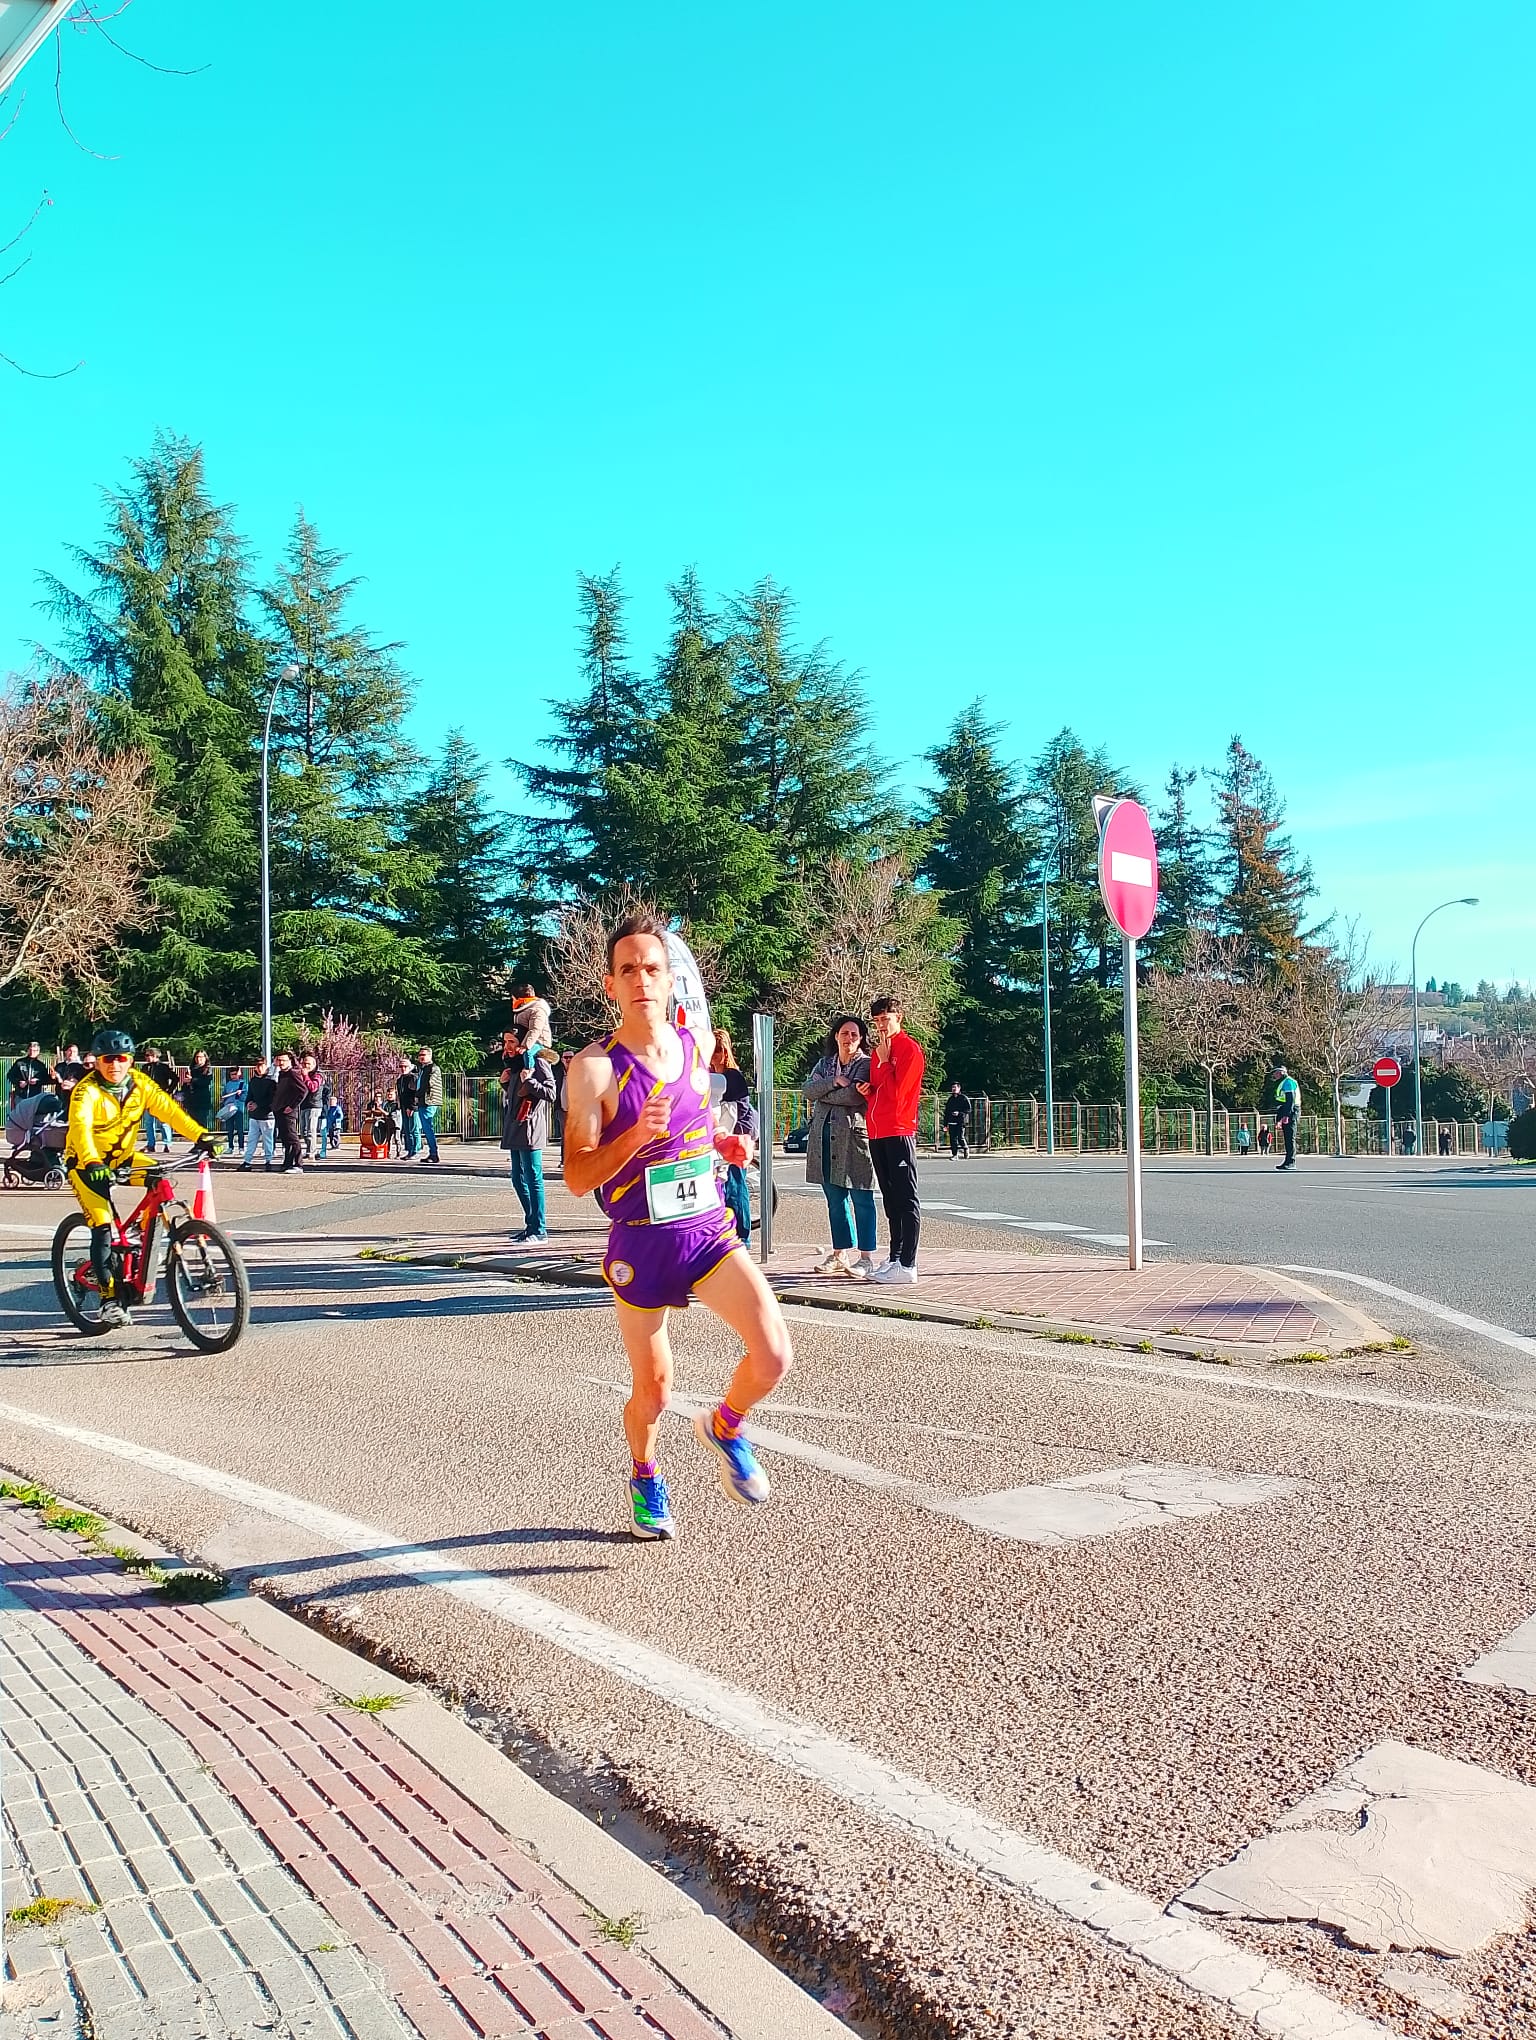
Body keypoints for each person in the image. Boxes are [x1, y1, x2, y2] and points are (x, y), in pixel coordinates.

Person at [563, 913, 792, 1543]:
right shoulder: (594, 1070)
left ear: (670, 981)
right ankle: (644, 1473)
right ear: (611, 984)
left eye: (653, 968)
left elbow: (693, 1128)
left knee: (774, 1353)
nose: (642, 979)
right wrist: (636, 1135)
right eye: (628, 969)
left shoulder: (695, 1047)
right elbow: (578, 1176)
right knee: (655, 1391)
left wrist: (724, 1145)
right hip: (640, 1238)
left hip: (707, 1230)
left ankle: (724, 1424)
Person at [64, 1029, 215, 1328]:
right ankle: (108, 1300)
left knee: (161, 1180)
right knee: (103, 1226)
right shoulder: (87, 1090)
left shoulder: (140, 1084)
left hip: (122, 1159)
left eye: (121, 1059)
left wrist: (201, 1135)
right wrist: (93, 1161)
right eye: (108, 1059)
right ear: (97, 1061)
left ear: (130, 1060)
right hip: (86, 1164)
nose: (115, 1065)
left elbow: (169, 1111)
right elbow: (80, 1128)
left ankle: (141, 1241)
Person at [803, 1016, 877, 1278]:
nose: (849, 1039)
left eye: (854, 1035)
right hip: (823, 1137)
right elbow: (808, 1091)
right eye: (844, 1033)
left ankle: (866, 1257)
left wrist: (828, 1092)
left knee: (862, 1197)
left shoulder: (866, 1065)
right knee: (835, 1200)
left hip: (854, 1139)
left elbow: (854, 1095)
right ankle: (839, 1252)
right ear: (835, 1036)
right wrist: (833, 1082)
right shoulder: (825, 1064)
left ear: (861, 1039)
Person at [862, 994, 925, 1284]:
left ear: (898, 1018)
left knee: (905, 1197)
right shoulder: (878, 1053)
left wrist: (887, 1063)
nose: (881, 1026)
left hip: (899, 1130)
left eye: (885, 1019)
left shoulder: (909, 1050)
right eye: (876, 1021)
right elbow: (882, 1090)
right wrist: (868, 1091)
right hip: (877, 1130)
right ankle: (895, 1256)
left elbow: (900, 1093)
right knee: (889, 1198)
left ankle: (909, 1263)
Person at [500, 1046, 556, 1240]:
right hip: (515, 1127)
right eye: (505, 1041)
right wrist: (505, 1084)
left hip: (530, 1128)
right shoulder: (516, 1066)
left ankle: (540, 1230)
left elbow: (550, 1093)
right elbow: (520, 1096)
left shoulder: (538, 1061)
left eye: (512, 1041)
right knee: (517, 1178)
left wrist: (530, 1079)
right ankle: (531, 1225)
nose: (508, 1047)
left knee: (533, 1179)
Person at [709, 1030, 757, 1245]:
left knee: (735, 1187)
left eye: (718, 1051)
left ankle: (742, 1236)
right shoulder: (716, 1074)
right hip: (726, 1133)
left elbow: (734, 1109)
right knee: (726, 1185)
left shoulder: (731, 1076)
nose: (714, 1056)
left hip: (737, 1135)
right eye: (711, 1051)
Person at [273, 1052, 317, 1174]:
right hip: (279, 1109)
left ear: (290, 1061)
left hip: (288, 1111)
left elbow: (303, 1090)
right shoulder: (282, 1074)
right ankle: (287, 1163)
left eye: (284, 1060)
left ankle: (298, 1164)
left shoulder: (293, 1073)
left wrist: (292, 1106)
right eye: (279, 1060)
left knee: (292, 1137)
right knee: (285, 1138)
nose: (281, 1063)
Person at [240, 1058, 277, 1170]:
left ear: (267, 1067)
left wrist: (258, 1105)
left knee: (268, 1139)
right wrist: (248, 1103)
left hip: (267, 1116)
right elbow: (249, 1095)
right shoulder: (253, 1081)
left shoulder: (271, 1082)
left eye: (262, 1065)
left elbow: (272, 1100)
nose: (260, 1068)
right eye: (258, 1066)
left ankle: (268, 1161)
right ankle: (247, 1161)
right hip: (254, 1116)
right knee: (251, 1139)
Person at [140, 1047, 179, 1153]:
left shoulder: (163, 1067)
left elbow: (175, 1078)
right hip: (148, 1098)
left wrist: (168, 1091)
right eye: (146, 1055)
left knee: (163, 1122)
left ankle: (167, 1144)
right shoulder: (145, 1068)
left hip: (160, 1098)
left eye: (149, 1055)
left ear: (155, 1056)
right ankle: (151, 1144)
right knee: (149, 1122)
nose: (146, 1058)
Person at [415, 1047, 443, 1163]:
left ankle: (434, 1153)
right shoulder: (423, 1069)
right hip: (423, 1100)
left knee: (428, 1128)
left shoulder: (433, 1068)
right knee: (426, 1129)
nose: (422, 1056)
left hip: (429, 1100)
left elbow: (429, 1084)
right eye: (420, 1054)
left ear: (430, 1056)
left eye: (424, 1054)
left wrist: (417, 1093)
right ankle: (432, 1153)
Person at [1272, 1062, 1301, 1171]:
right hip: (1285, 1109)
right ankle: (1287, 1161)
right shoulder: (1283, 1082)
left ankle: (1291, 1161)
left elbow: (1290, 1101)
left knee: (1290, 1137)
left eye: (1275, 1072)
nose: (1274, 1075)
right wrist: (1278, 1119)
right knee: (1287, 1137)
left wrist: (1286, 1116)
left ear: (1280, 1072)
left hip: (1291, 1111)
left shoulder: (1289, 1082)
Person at [510, 984, 554, 1051]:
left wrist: (525, 1046)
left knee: (528, 1054)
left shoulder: (537, 1009)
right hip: (526, 1043)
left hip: (539, 1043)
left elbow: (535, 1029)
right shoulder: (524, 1010)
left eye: (513, 999)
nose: (512, 1002)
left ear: (519, 999)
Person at [7, 1041, 49, 1110]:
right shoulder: (19, 1062)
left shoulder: (41, 1065)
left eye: (35, 1050)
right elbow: (10, 1075)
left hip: (35, 1096)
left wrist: (37, 1081)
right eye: (30, 1050)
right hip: (21, 1095)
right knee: (20, 1116)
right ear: (28, 1050)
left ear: (38, 1051)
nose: (32, 1052)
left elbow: (46, 1079)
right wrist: (18, 1082)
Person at [183, 1049, 215, 1131]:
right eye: (197, 1057)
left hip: (202, 1100)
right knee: (193, 1125)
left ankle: (203, 1143)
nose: (198, 1059)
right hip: (191, 1100)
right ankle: (197, 1143)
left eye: (201, 1057)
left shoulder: (208, 1069)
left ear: (205, 1058)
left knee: (202, 1123)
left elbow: (205, 1082)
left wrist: (192, 1080)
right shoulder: (192, 1069)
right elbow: (186, 1083)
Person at [218, 1065, 248, 1152]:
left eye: (235, 1074)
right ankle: (230, 1147)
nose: (233, 1076)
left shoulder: (243, 1084)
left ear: (239, 1073)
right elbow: (223, 1095)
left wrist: (240, 1094)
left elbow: (245, 1097)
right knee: (229, 1129)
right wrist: (222, 1099)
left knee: (239, 1128)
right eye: (232, 1074)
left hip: (238, 1108)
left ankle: (241, 1147)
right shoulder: (228, 1084)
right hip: (228, 1108)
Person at [395, 1057, 419, 1158]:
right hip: (404, 1107)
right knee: (407, 1130)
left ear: (410, 1067)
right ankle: (409, 1150)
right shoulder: (400, 1080)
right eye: (401, 1066)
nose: (403, 1068)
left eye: (405, 1066)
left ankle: (414, 1150)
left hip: (411, 1107)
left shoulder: (413, 1078)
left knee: (413, 1129)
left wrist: (412, 1107)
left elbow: (415, 1094)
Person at [942, 1081, 972, 1159]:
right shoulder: (950, 1100)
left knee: (960, 1137)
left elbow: (968, 1110)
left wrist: (959, 1113)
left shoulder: (963, 1098)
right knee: (953, 1139)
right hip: (951, 1122)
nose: (954, 1089)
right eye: (952, 1087)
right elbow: (947, 1112)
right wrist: (945, 1124)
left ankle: (965, 1148)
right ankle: (955, 1154)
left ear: (959, 1088)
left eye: (955, 1087)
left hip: (961, 1121)